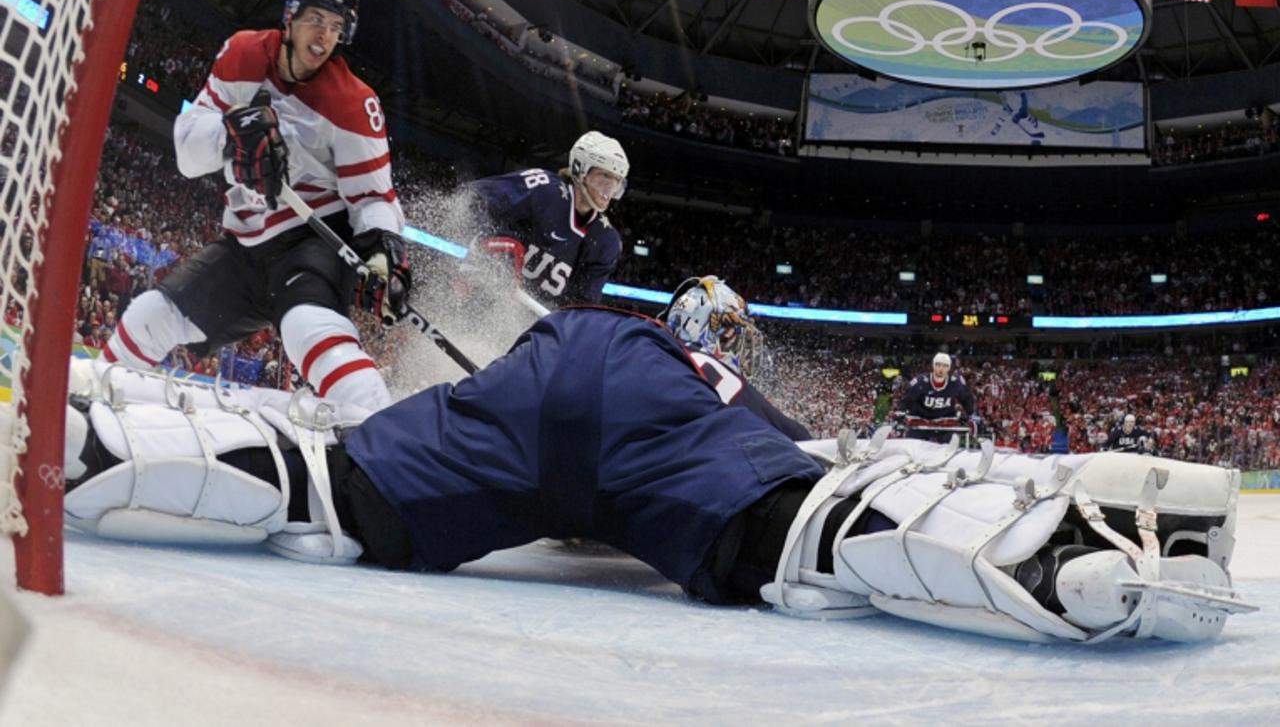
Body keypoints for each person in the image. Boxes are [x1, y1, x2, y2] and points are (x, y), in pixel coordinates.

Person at [61, 305, 1251, 645]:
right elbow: (800, 471)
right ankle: (1060, 554)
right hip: (652, 425)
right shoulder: (721, 383)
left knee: (333, 485)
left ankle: (82, 441)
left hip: (560, 353)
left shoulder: (629, 320)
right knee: (811, 520)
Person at [101, 0, 409, 410]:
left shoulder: (355, 104)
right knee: (150, 317)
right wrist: (230, 136)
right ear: (290, 17)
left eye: (337, 28)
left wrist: (383, 253)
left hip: (312, 241)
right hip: (244, 247)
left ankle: (384, 439)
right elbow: (188, 153)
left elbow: (374, 198)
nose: (325, 37)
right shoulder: (243, 53)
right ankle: (86, 407)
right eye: (317, 20)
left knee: (308, 330)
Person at [468, 131, 626, 304]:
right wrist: (491, 238)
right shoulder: (544, 188)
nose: (609, 189)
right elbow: (474, 197)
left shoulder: (606, 241)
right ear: (580, 169)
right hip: (479, 291)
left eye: (616, 181)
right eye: (604, 176)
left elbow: (581, 306)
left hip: (531, 325)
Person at [662, 276, 810, 441]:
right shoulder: (718, 380)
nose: (744, 344)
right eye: (732, 333)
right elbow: (798, 439)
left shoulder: (657, 361)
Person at [895, 352, 978, 441]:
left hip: (945, 423)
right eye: (938, 365)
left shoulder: (956, 383)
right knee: (912, 443)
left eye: (945, 366)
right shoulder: (920, 382)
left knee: (949, 442)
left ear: (949, 368)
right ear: (933, 366)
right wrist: (900, 415)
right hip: (920, 422)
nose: (941, 369)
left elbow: (967, 399)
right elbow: (907, 400)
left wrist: (971, 416)